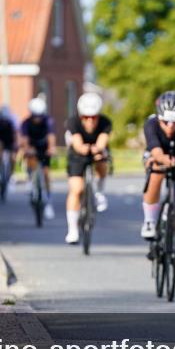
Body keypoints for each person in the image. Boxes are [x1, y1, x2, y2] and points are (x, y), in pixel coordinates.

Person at [141, 91, 175, 284]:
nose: (171, 127)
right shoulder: (151, 124)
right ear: (159, 118)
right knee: (156, 170)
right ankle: (149, 220)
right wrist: (166, 160)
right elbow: (155, 151)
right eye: (166, 122)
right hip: (158, 157)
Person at [64, 92, 112, 244]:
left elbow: (103, 141)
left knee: (102, 162)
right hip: (78, 154)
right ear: (81, 116)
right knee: (76, 189)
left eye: (94, 117)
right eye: (86, 117)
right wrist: (84, 148)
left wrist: (98, 150)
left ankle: (99, 192)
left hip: (96, 151)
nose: (90, 121)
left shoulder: (105, 123)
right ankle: (72, 229)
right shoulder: (73, 122)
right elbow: (78, 144)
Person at [20, 96, 56, 221]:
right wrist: (27, 149)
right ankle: (30, 180)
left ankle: (48, 202)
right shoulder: (26, 123)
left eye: (39, 116)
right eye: (35, 116)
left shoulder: (48, 121)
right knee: (31, 160)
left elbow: (51, 136)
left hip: (44, 147)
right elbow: (24, 140)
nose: (37, 119)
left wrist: (52, 148)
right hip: (32, 147)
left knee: (46, 174)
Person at [0, 105, 18, 184]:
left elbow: (16, 132)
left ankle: (12, 174)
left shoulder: (13, 118)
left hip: (10, 138)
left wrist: (16, 143)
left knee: (13, 157)